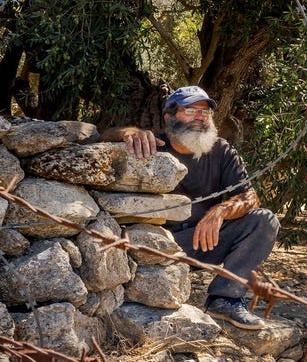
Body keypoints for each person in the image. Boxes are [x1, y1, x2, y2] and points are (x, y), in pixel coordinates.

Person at [101, 86, 279, 330]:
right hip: (154, 246)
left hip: (202, 241)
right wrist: (128, 133)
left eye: (204, 112)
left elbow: (249, 197)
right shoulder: (150, 143)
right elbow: (101, 137)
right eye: (190, 110)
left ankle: (225, 299)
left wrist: (219, 212)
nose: (199, 117)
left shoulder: (222, 150)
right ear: (169, 116)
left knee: (264, 220)